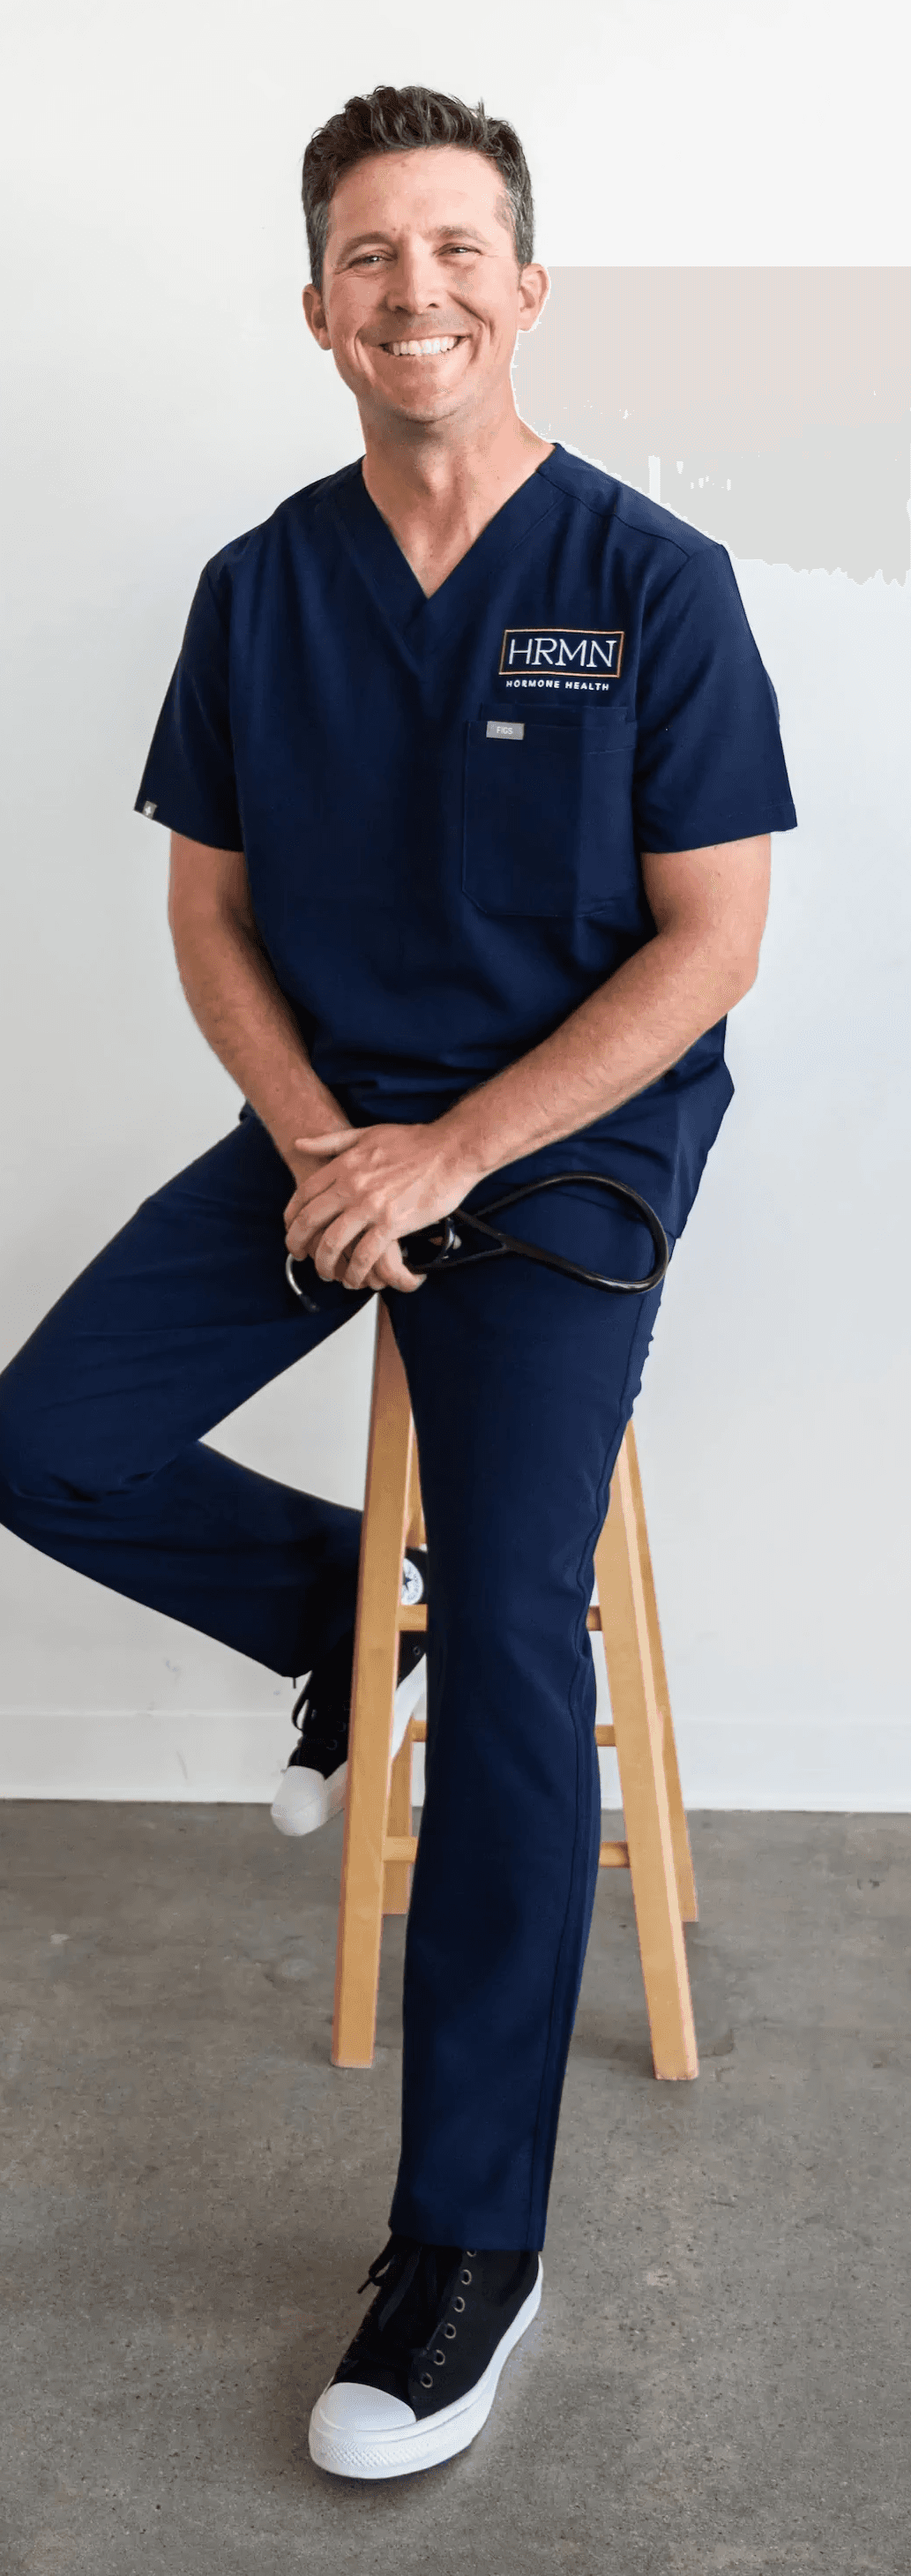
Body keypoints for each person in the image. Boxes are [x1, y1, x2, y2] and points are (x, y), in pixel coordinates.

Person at [0, 84, 797, 2481]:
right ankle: (391, 1630)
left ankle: (472, 2245)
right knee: (43, 1438)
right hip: (331, 1136)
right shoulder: (263, 586)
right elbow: (210, 913)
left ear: (526, 288)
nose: (414, 289)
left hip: (560, 1156)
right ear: (315, 302)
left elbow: (713, 941)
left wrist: (457, 1141)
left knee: (538, 1610)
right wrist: (335, 1140)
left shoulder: (651, 580)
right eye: (368, 253)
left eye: (457, 247)